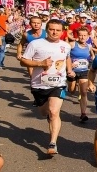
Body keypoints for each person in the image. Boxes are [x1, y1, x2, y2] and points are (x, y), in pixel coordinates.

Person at [19, 19, 74, 156]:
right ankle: (48, 114)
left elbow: (66, 57)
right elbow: (23, 61)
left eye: (58, 30)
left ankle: (53, 143)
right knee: (45, 112)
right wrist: (40, 63)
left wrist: (69, 70)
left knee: (54, 111)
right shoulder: (35, 44)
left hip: (58, 83)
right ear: (47, 30)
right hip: (39, 84)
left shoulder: (66, 45)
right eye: (51, 29)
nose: (54, 32)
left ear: (62, 32)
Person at [69, 27, 97, 123]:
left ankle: (83, 114)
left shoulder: (89, 46)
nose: (82, 37)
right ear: (77, 35)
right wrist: (69, 65)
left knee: (84, 92)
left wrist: (93, 59)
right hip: (72, 71)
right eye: (80, 35)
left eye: (84, 35)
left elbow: (92, 55)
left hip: (84, 71)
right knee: (72, 90)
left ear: (88, 36)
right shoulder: (72, 44)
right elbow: (65, 56)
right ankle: (72, 86)